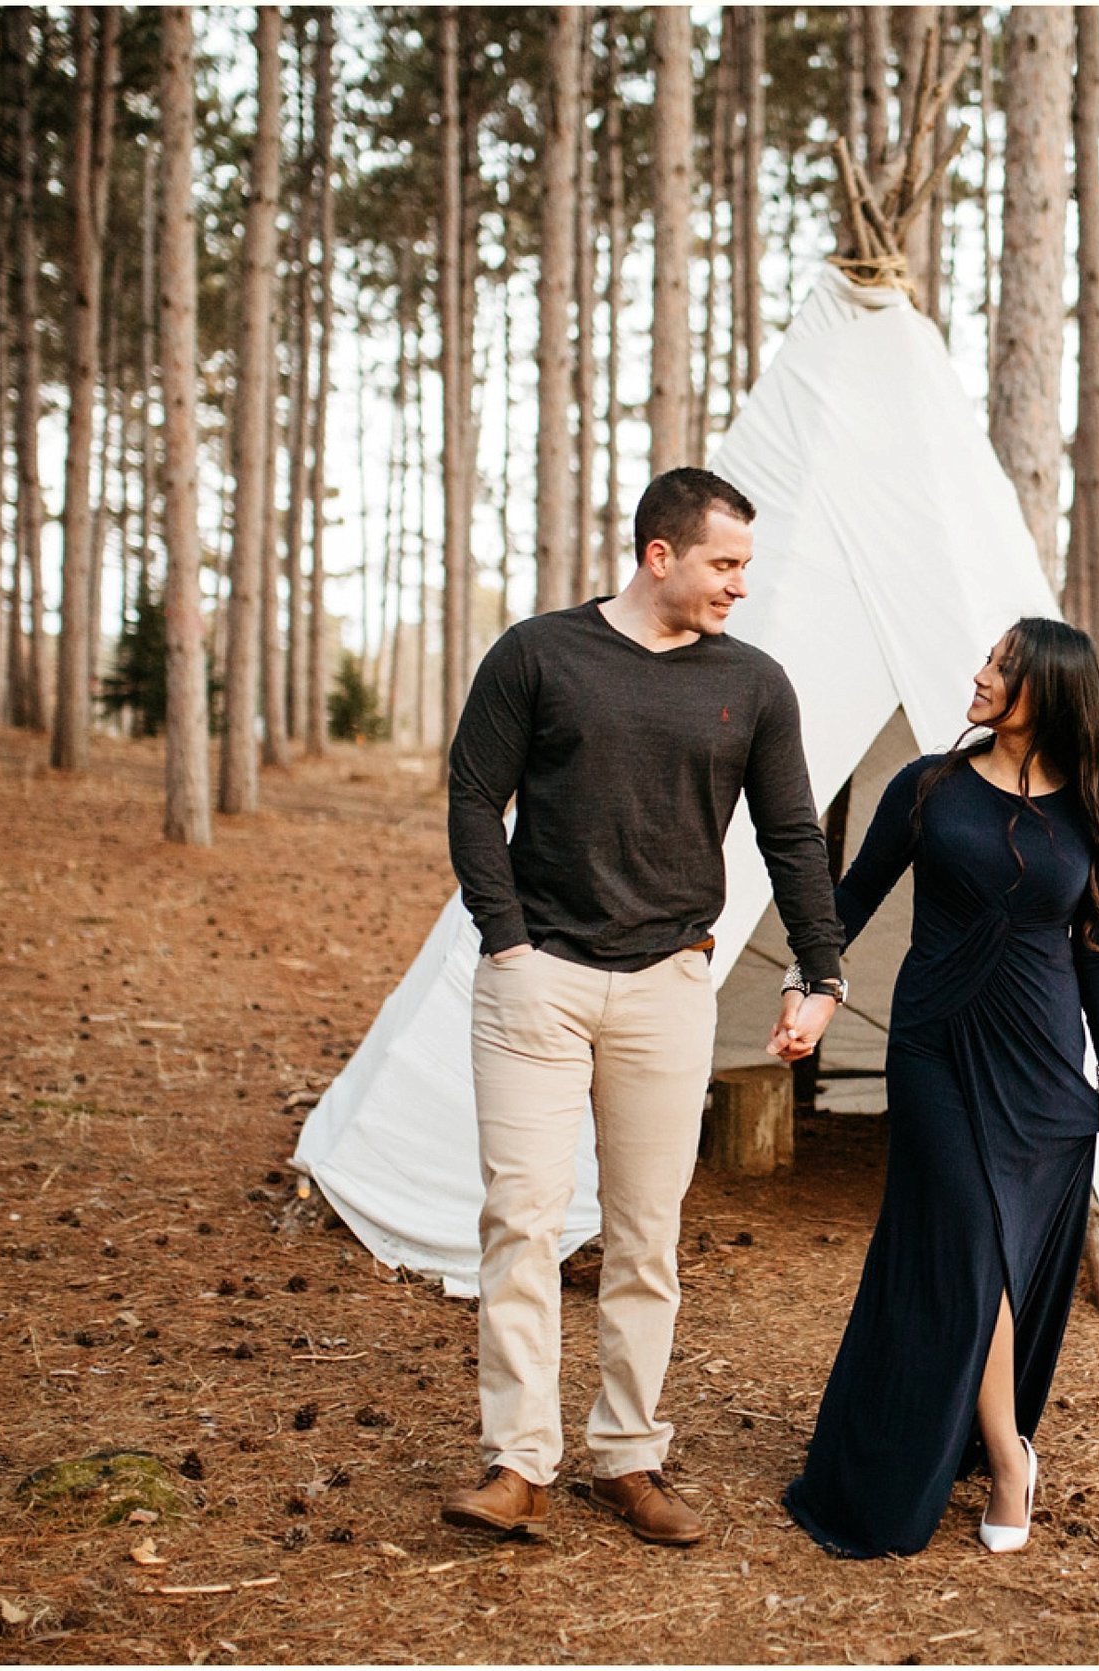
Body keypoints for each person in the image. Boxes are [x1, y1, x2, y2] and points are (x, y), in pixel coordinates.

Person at [439, 468, 846, 1546]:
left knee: (645, 1235)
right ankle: (518, 1462)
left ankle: (627, 1456)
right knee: (521, 1220)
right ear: (658, 554)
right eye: (724, 563)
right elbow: (476, 795)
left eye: (745, 566)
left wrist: (821, 971)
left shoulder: (754, 684)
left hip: (671, 984)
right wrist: (507, 941)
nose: (739, 586)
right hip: (538, 982)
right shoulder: (538, 655)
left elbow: (793, 837)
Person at [777, 616, 1099, 1558]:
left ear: (1048, 693)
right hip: (935, 1045)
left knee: (1005, 1255)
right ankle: (1010, 1453)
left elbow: (1095, 948)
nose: (979, 675)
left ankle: (987, 1432)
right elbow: (850, 897)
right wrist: (809, 986)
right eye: (987, 658)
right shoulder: (927, 787)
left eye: (1003, 668)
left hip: (1041, 1063)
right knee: (973, 1245)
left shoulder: (1090, 811)